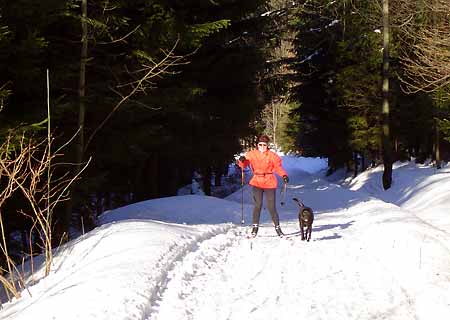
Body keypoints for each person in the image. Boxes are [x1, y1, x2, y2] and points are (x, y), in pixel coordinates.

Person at [237, 135, 289, 237]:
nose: (262, 146)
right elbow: (244, 165)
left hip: (269, 181)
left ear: (267, 145)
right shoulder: (252, 154)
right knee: (258, 205)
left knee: (271, 207)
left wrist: (284, 175)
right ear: (257, 145)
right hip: (257, 181)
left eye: (264, 145)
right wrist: (241, 160)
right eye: (260, 144)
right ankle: (255, 228)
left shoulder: (272, 155)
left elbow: (278, 167)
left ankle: (278, 228)